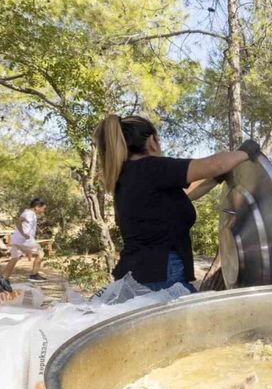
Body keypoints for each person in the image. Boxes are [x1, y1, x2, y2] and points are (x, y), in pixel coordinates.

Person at [93, 115, 261, 293]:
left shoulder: (128, 176)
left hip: (139, 273)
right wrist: (246, 152)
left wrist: (217, 178)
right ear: (152, 141)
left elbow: (187, 193)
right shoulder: (151, 167)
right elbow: (214, 164)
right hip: (162, 275)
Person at [2, 198, 48, 282]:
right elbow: (18, 221)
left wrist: (37, 228)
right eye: (43, 208)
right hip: (24, 240)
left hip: (15, 240)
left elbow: (26, 222)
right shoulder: (29, 213)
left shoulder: (29, 213)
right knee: (41, 253)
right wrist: (23, 233)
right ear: (37, 207)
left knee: (14, 258)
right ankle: (34, 275)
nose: (44, 210)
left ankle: (3, 279)